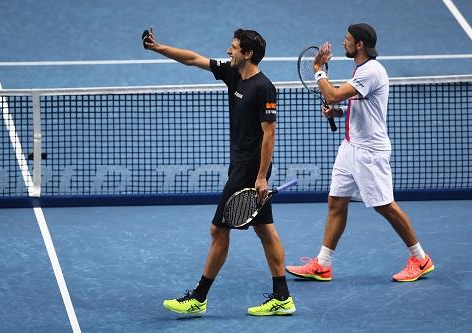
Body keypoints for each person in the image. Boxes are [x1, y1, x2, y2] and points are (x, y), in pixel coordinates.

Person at [143, 28, 295, 316]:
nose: (229, 51)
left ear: (248, 53)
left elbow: (269, 135)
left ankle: (199, 298)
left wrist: (261, 177)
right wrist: (158, 47)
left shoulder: (264, 88)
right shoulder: (233, 74)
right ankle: (282, 297)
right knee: (264, 230)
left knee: (218, 229)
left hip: (249, 171)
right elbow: (193, 59)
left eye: (234, 47)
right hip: (239, 165)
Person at [286, 23, 435, 283]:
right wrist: (339, 113)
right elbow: (358, 104)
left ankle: (420, 259)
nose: (343, 42)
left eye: (347, 39)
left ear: (359, 45)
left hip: (369, 151)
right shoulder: (362, 70)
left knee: (384, 206)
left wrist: (319, 71)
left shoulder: (371, 71)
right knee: (336, 201)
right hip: (350, 147)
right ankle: (323, 264)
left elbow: (332, 95)